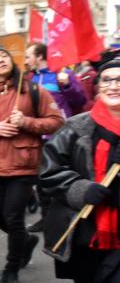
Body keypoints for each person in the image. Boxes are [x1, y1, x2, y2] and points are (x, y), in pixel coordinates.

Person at [0, 47, 63, 283]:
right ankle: (26, 240)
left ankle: (11, 268)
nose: (1, 59)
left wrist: (26, 122)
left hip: (24, 165)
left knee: (14, 218)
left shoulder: (33, 90)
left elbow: (57, 121)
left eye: (4, 56)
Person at [40, 57, 120, 283]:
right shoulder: (77, 126)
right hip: (91, 230)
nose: (113, 86)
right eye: (107, 80)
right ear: (97, 86)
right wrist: (80, 189)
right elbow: (49, 169)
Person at [25, 42, 87, 233]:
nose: (26, 61)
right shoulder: (30, 79)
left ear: (40, 57)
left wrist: (68, 86)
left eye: (29, 56)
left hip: (62, 136)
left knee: (64, 178)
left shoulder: (63, 74)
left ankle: (69, 217)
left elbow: (81, 101)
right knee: (42, 179)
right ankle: (45, 218)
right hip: (38, 135)